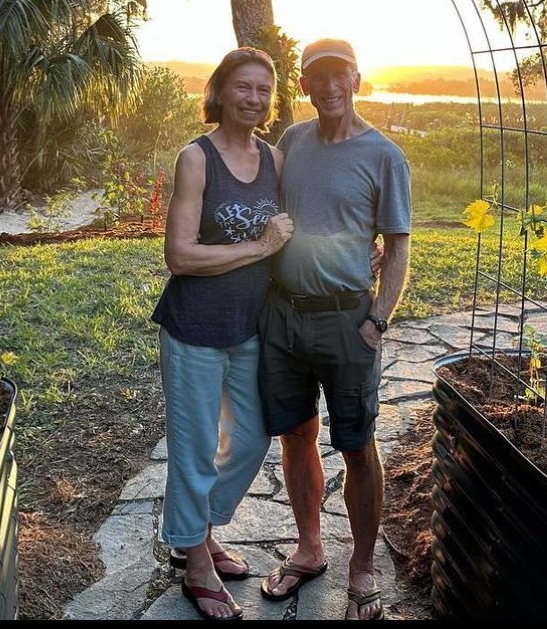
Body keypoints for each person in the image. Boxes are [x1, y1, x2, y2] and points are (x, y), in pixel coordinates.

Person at [257, 37, 412, 621]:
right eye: (317, 78)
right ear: (303, 86)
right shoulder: (292, 141)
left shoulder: (384, 156)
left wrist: (377, 320)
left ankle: (363, 566)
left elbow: (397, 247)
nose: (328, 88)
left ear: (357, 79)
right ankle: (310, 548)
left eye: (338, 76)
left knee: (356, 446)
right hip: (284, 316)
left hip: (349, 321)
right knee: (295, 436)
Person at [153, 47, 294, 620]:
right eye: (243, 87)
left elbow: (294, 232)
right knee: (193, 451)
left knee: (255, 437)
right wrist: (257, 247)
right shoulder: (197, 158)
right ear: (220, 90)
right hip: (194, 329)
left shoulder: (273, 160)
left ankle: (197, 531)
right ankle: (196, 563)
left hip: (250, 327)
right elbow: (179, 256)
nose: (253, 98)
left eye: (263, 89)